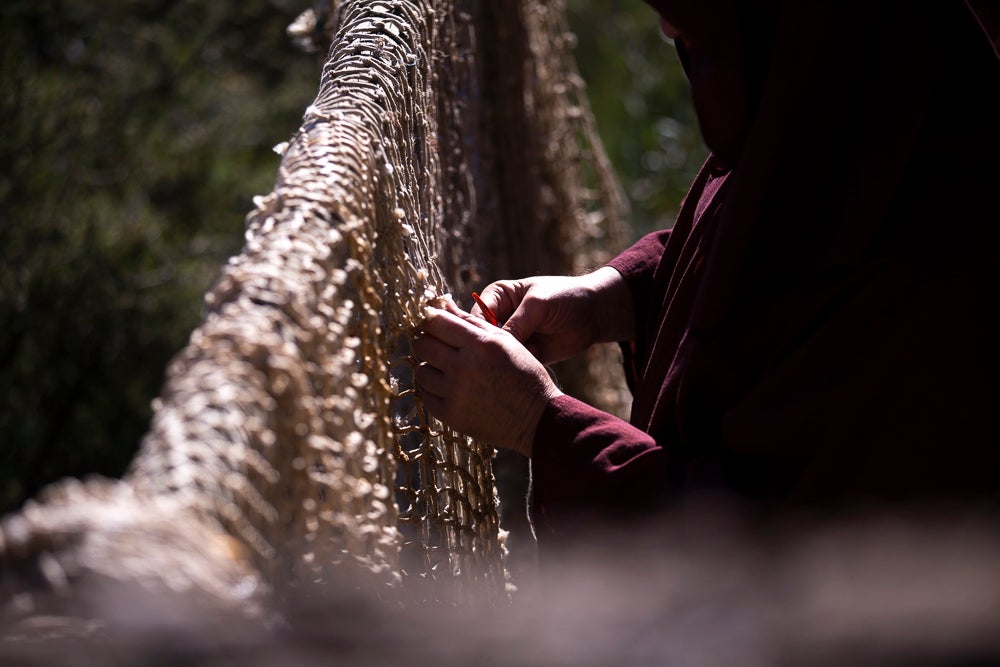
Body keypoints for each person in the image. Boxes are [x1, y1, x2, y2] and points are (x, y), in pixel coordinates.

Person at [413, 0, 1000, 551]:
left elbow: (748, 564)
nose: (669, 31)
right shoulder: (841, 98)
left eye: (700, 30)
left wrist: (541, 422)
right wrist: (614, 296)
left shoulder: (932, 283)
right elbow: (764, 246)